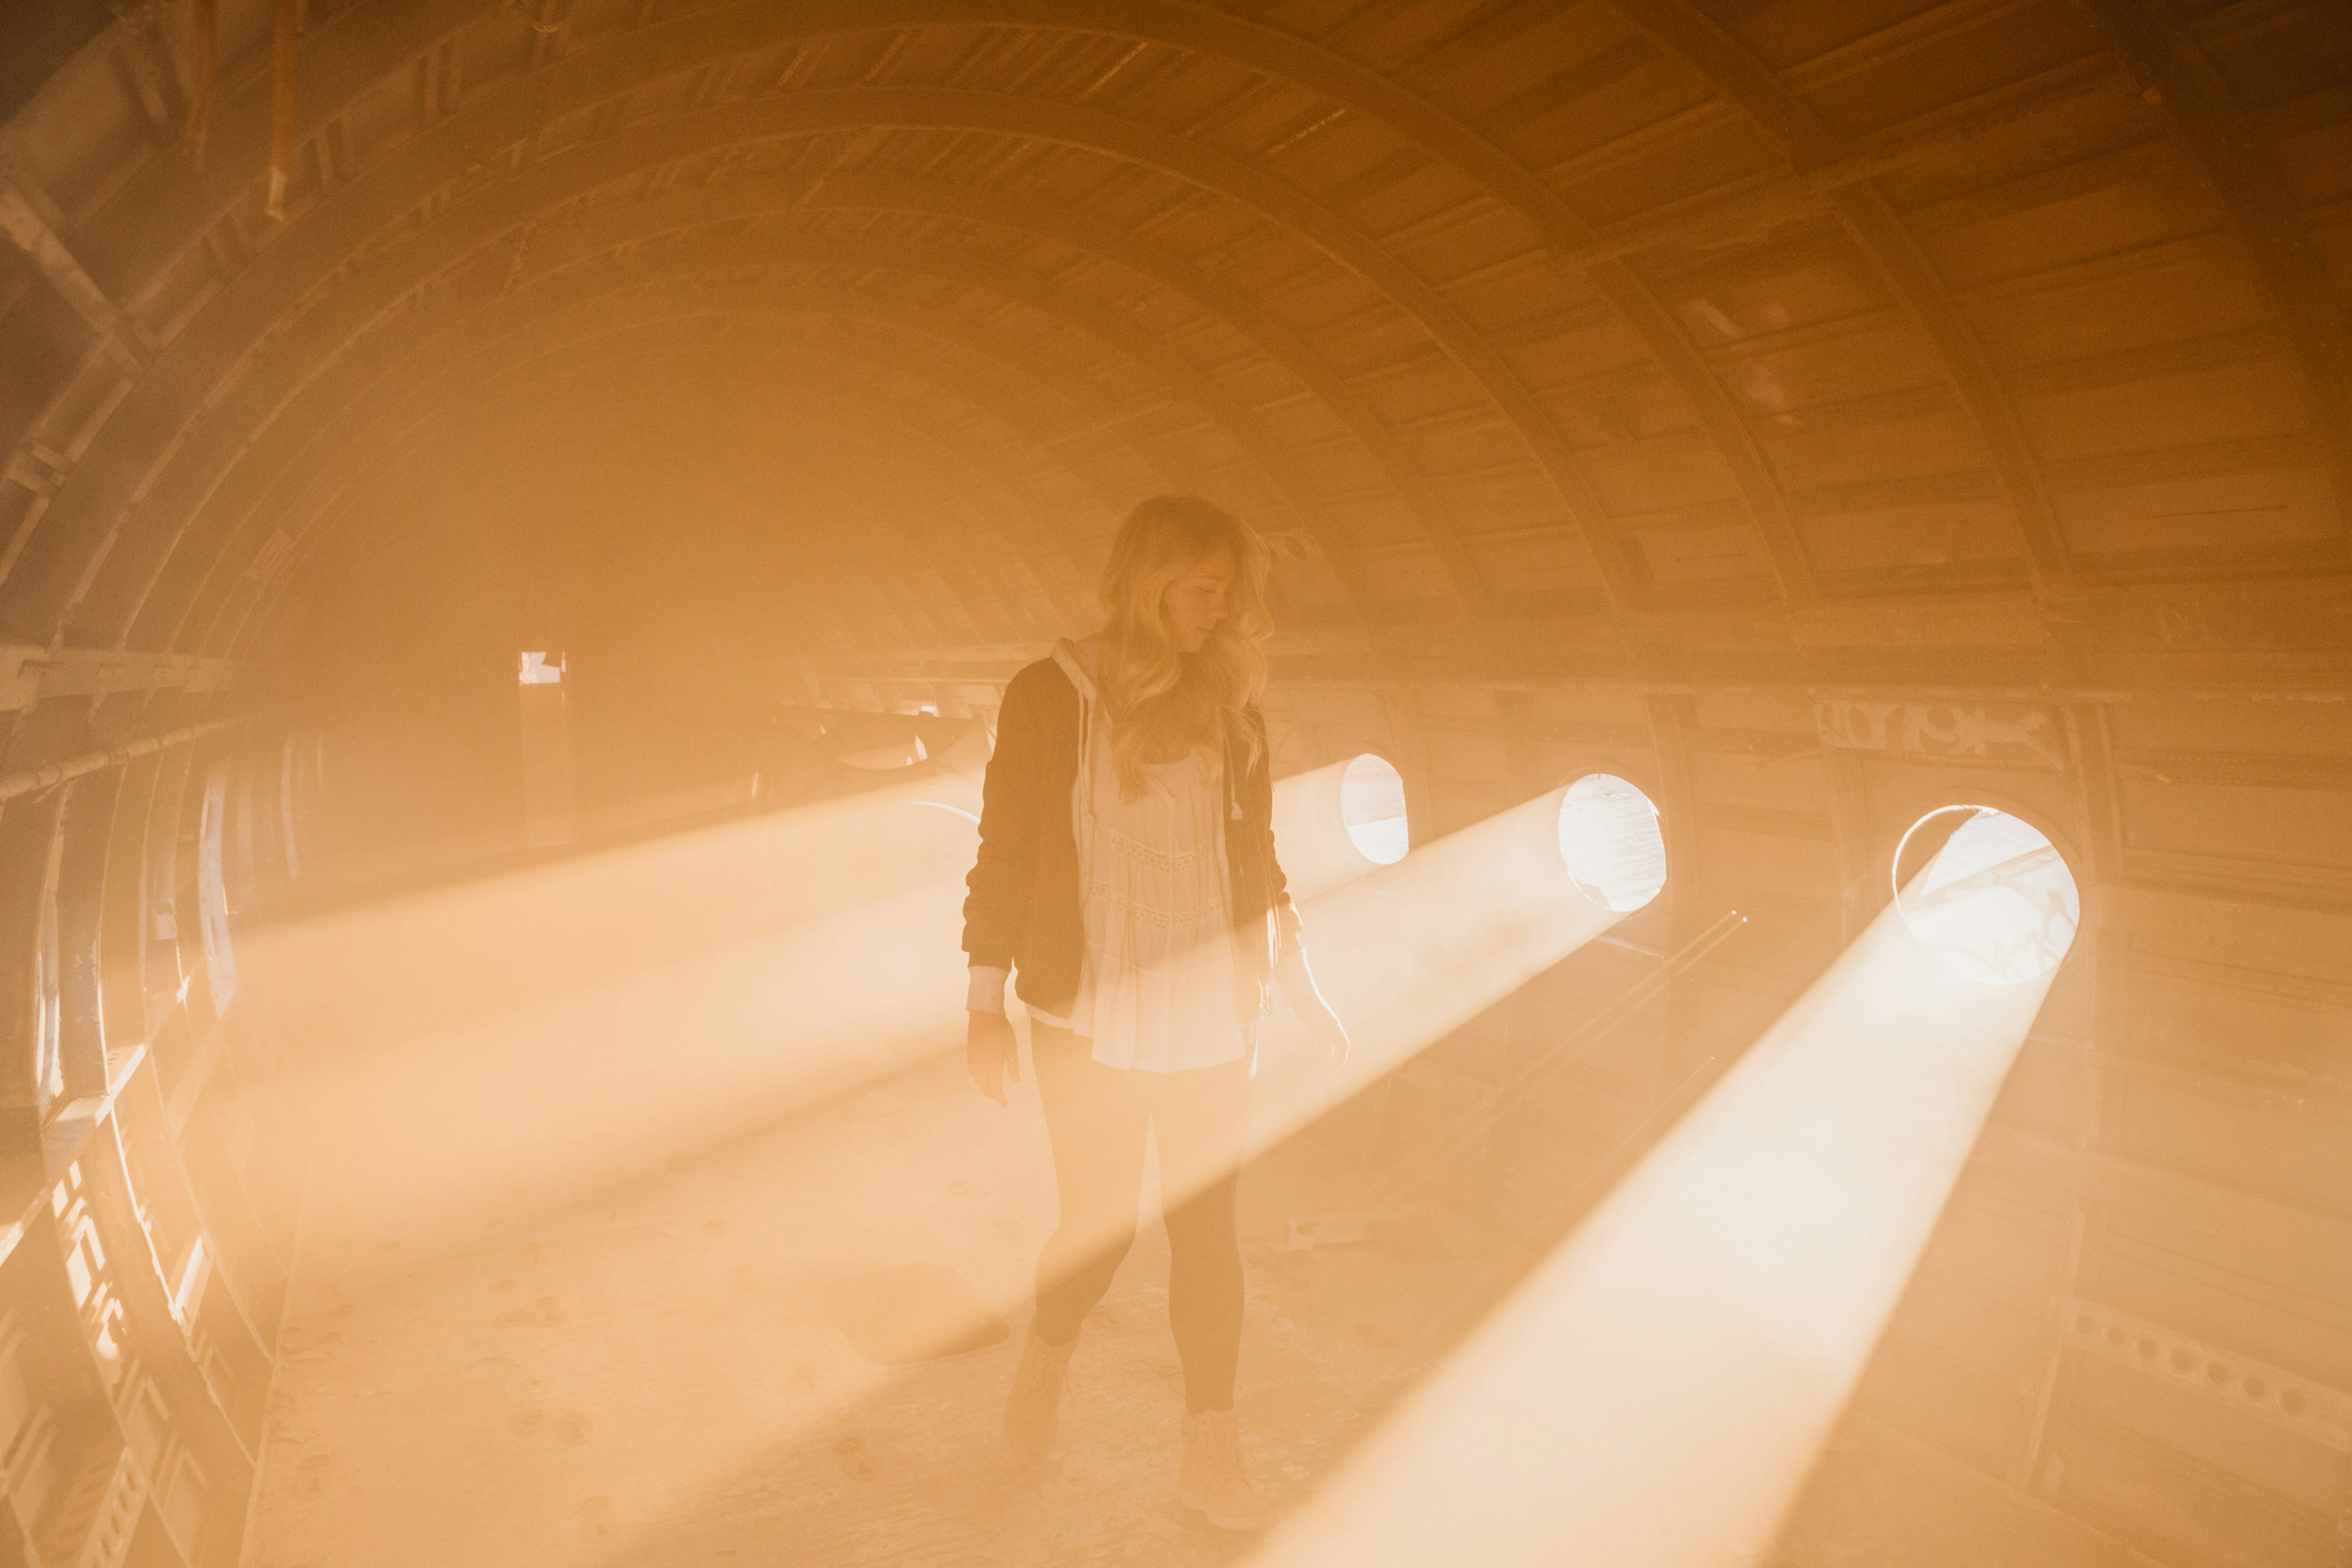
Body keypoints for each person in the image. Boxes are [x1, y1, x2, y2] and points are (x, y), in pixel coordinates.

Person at [961, 495, 1351, 1531]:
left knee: (1207, 1232)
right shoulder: (1050, 699)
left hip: (1212, 1019)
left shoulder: (1235, 715)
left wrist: (1303, 987)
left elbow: (1255, 861)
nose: (1221, 611)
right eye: (1202, 588)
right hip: (1083, 1016)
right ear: (1146, 583)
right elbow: (1004, 851)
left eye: (1231, 593)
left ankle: (1207, 1455)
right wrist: (980, 1000)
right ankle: (1049, 1352)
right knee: (1099, 1229)